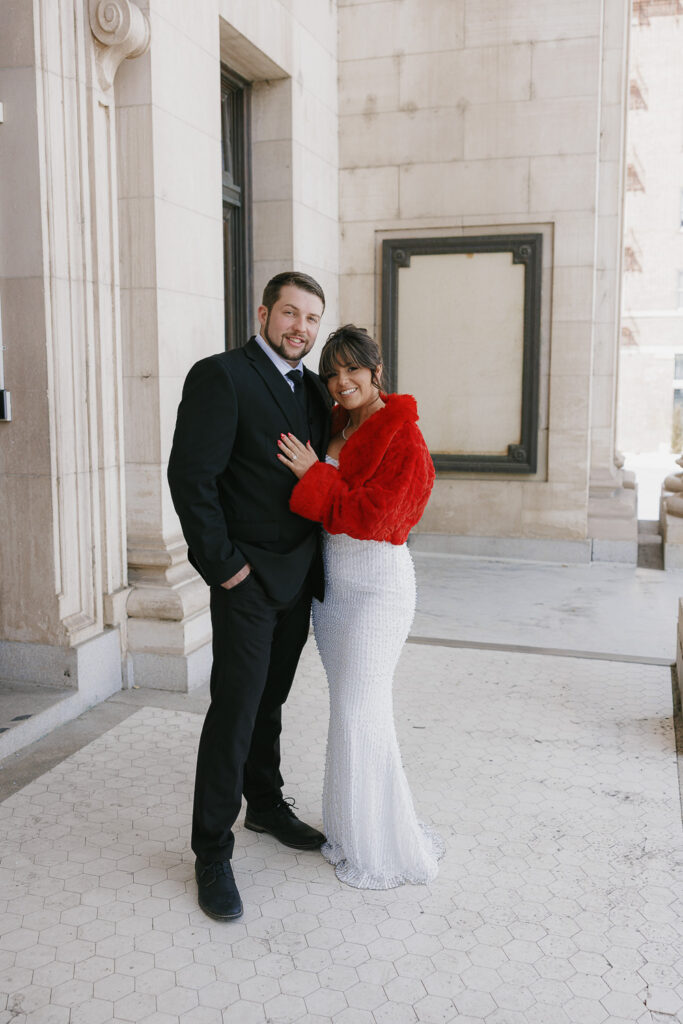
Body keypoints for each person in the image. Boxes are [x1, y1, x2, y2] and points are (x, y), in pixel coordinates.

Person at [167, 271, 333, 920]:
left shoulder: (315, 390)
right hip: (246, 581)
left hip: (298, 577)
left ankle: (264, 806)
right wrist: (224, 567)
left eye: (311, 319)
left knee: (271, 703)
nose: (300, 328)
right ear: (263, 313)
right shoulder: (221, 375)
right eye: (289, 313)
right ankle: (212, 851)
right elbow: (191, 478)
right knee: (234, 711)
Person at [277, 324, 444, 888]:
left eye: (352, 369)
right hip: (335, 593)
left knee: (358, 710)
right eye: (333, 372)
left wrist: (314, 477)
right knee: (352, 712)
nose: (341, 381)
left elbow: (379, 519)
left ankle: (383, 846)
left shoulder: (405, 437)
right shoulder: (337, 423)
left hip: (379, 589)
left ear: (377, 371)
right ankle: (353, 828)